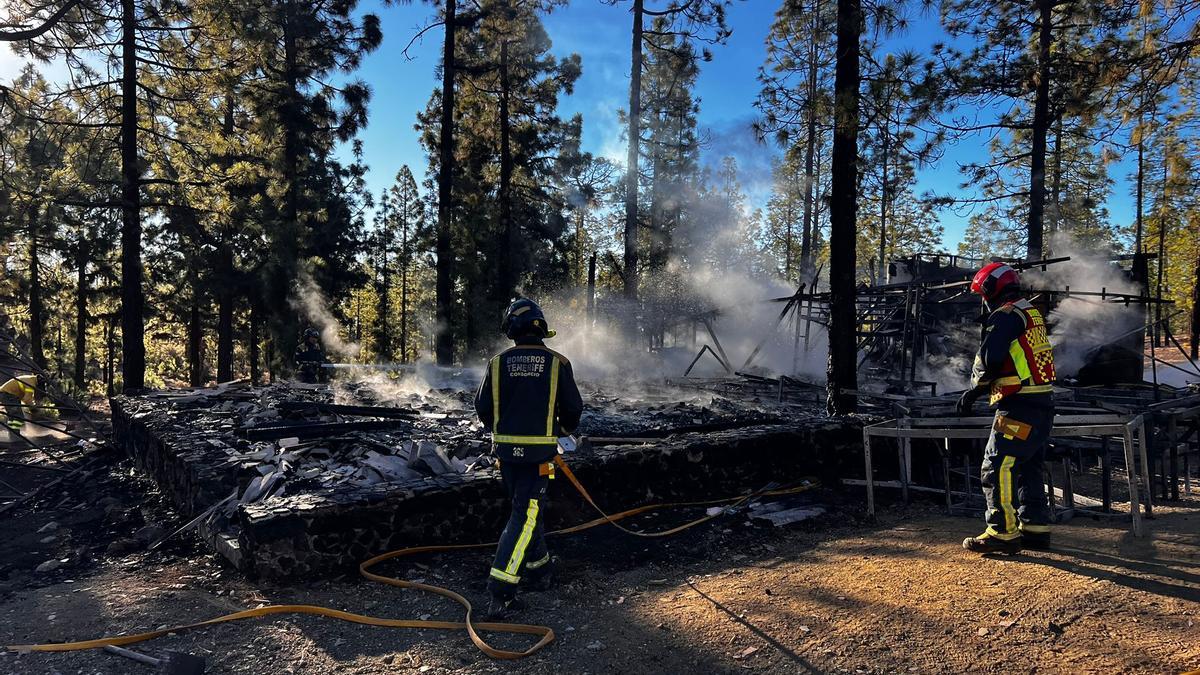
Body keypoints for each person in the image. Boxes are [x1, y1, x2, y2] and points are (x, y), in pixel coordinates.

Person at [474, 298, 583, 620]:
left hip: (506, 454)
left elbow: (483, 408)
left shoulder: (496, 363)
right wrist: (555, 429)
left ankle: (539, 569)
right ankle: (501, 591)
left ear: (511, 329)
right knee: (525, 515)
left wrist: (505, 429)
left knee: (524, 512)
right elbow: (573, 411)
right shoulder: (558, 363)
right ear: (541, 327)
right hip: (540, 455)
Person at [957, 262, 1057, 553]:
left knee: (996, 465)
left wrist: (972, 391)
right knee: (1028, 465)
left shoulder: (1005, 316)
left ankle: (1002, 531)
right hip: (1042, 404)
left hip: (1018, 407)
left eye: (982, 294)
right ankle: (1035, 529)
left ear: (991, 289)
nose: (983, 300)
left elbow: (990, 359)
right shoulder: (1030, 313)